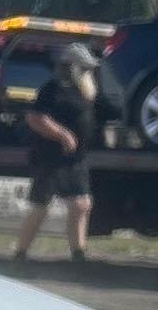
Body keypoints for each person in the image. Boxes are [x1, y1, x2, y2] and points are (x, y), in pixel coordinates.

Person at [14, 42, 103, 263]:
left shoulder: (86, 90)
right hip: (50, 157)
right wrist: (62, 134)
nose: (88, 71)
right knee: (41, 205)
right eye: (84, 67)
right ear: (71, 66)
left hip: (76, 158)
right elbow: (35, 117)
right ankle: (20, 254)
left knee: (81, 203)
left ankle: (78, 255)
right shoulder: (52, 88)